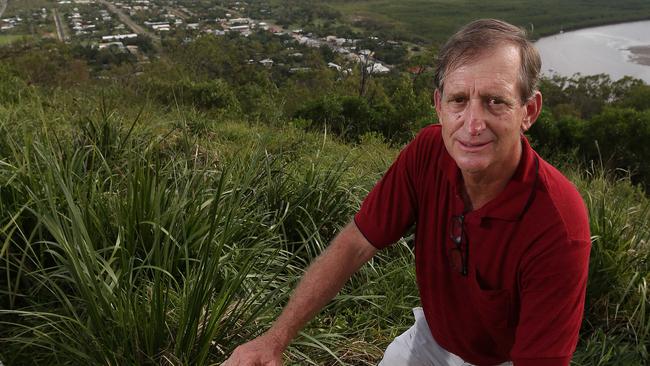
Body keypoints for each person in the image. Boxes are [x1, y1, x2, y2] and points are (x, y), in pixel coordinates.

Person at [224, 19, 591, 366]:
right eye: (459, 100)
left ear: (529, 111)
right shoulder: (428, 152)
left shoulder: (558, 223)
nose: (473, 124)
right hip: (434, 337)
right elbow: (356, 243)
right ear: (438, 106)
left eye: (496, 101)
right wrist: (273, 340)